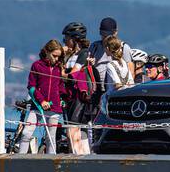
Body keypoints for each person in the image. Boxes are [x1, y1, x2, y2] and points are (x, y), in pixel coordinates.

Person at [18, 40, 67, 154]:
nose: (56, 59)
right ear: (47, 52)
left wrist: (62, 99)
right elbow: (31, 86)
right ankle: (19, 159)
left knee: (51, 138)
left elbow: (60, 86)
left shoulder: (58, 68)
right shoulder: (36, 65)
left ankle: (52, 165)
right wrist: (42, 101)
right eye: (54, 56)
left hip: (54, 108)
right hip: (37, 107)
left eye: (58, 57)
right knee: (26, 133)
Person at [60, 21, 94, 154]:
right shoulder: (71, 54)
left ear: (74, 39)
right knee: (76, 134)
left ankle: (79, 160)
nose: (65, 42)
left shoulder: (84, 54)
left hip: (79, 98)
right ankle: (84, 158)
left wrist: (61, 73)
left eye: (66, 39)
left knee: (73, 132)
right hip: (70, 97)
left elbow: (73, 73)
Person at [88, 18, 135, 82]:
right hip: (98, 87)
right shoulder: (94, 47)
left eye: (108, 36)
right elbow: (86, 68)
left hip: (117, 87)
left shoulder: (124, 47)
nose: (105, 39)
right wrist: (90, 64)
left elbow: (131, 71)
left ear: (115, 32)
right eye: (103, 35)